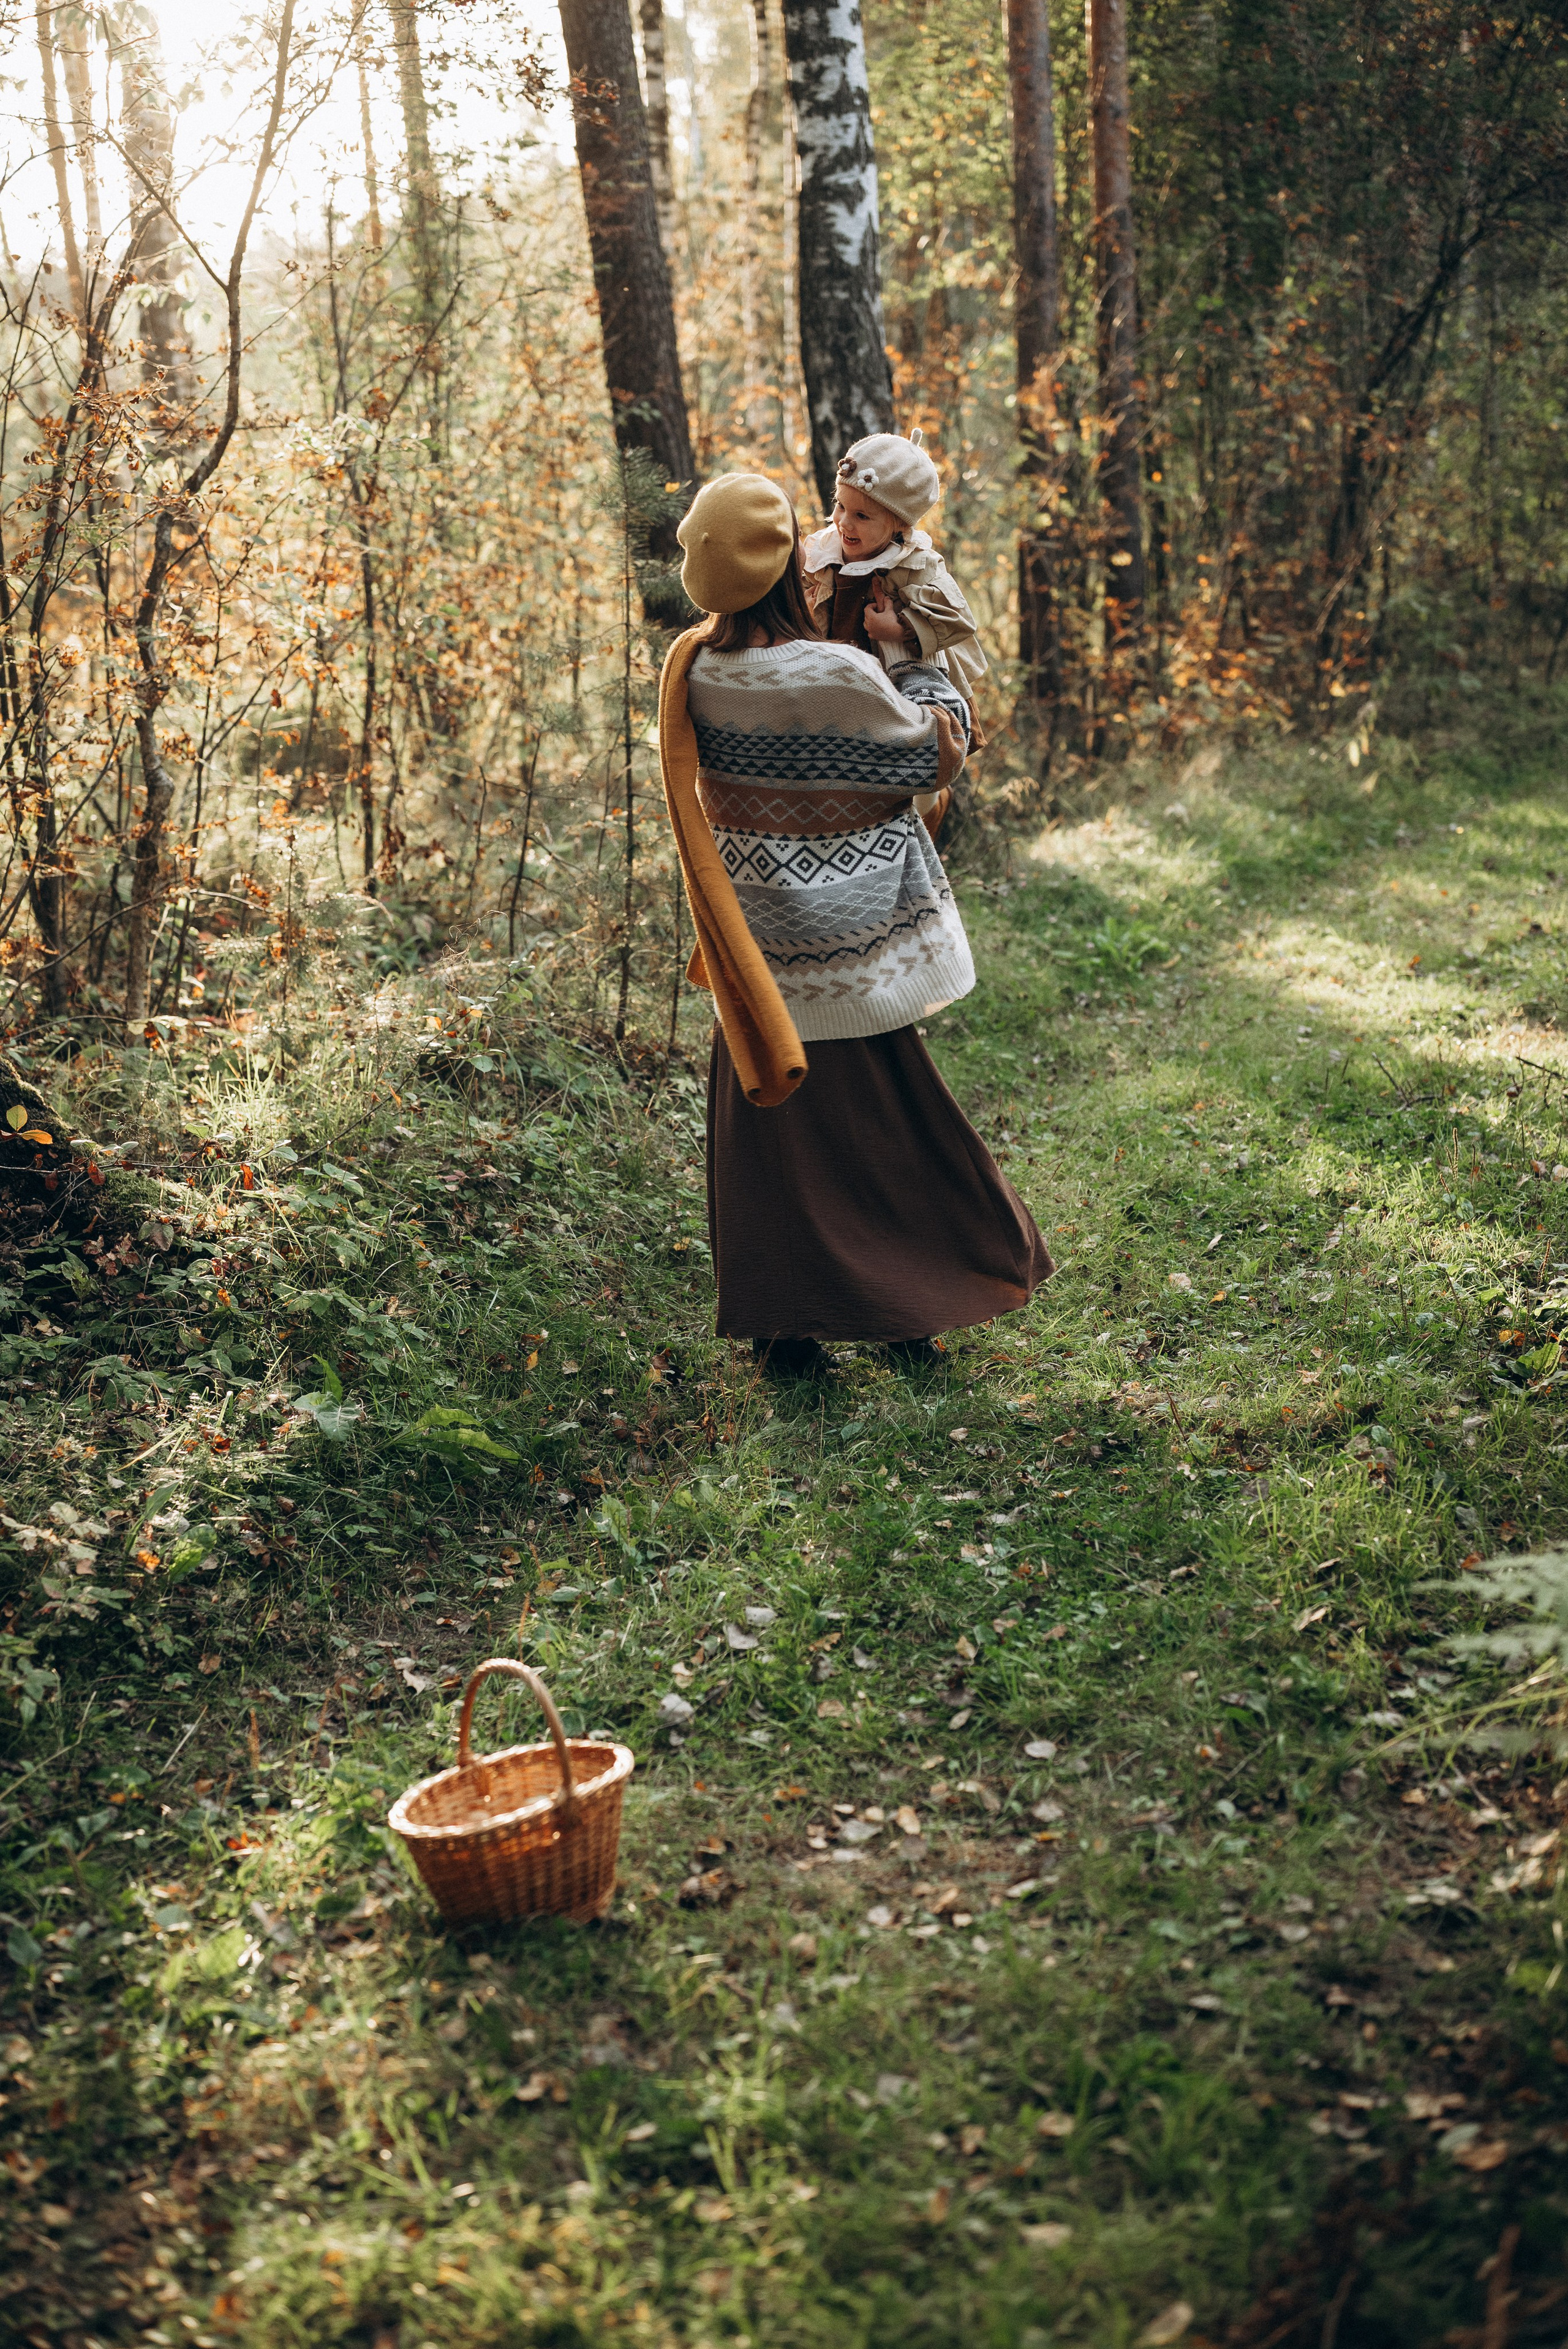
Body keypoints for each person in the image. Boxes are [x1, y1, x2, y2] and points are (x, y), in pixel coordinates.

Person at [658, 471, 1052, 1379]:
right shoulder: (836, 671)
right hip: (851, 951)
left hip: (754, 962)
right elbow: (937, 749)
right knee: (890, 1138)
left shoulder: (698, 671)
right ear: (782, 559)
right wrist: (913, 660)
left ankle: (784, 1338)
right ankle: (910, 1308)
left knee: (773, 1157)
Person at [802, 428, 989, 749]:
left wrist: (902, 628)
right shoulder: (822, 550)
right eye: (841, 506)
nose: (844, 522)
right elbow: (802, 588)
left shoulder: (916, 565)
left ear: (899, 525)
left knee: (897, 742)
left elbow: (958, 618)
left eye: (862, 515)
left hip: (897, 680)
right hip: (833, 668)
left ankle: (921, 786)